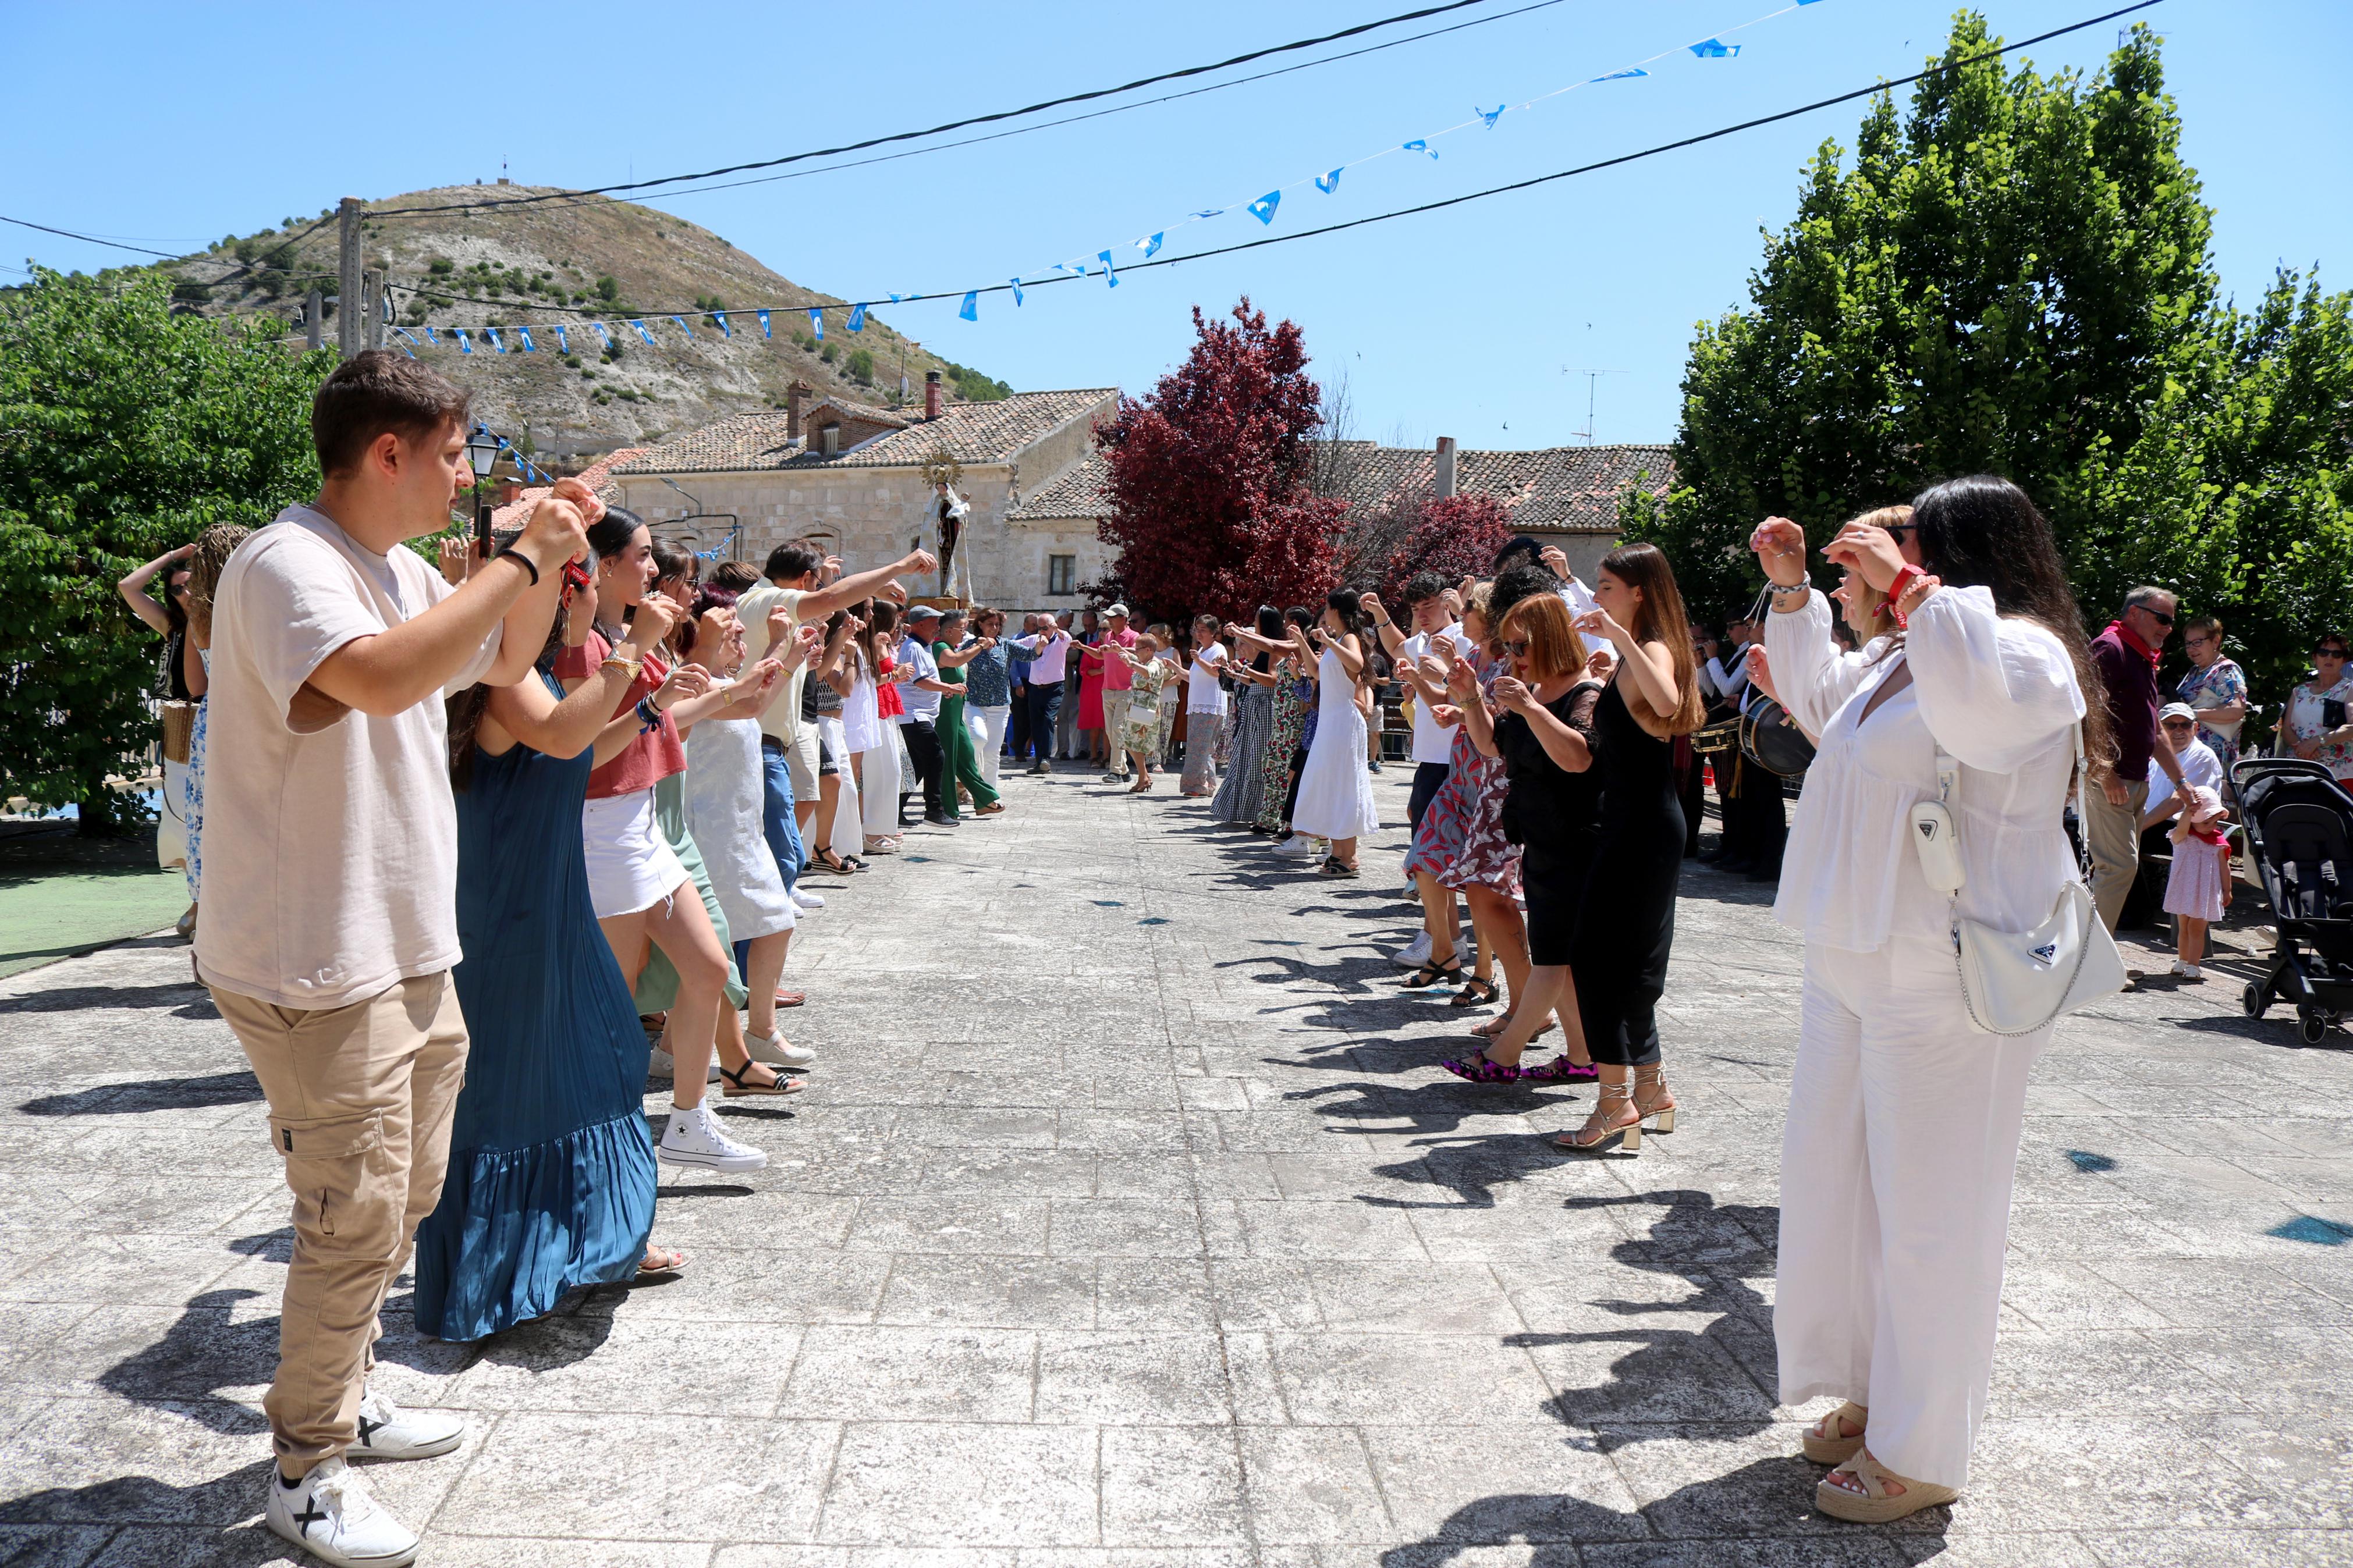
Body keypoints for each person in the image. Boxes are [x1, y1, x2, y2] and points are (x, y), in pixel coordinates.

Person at [191, 351, 587, 1565]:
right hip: (314, 953)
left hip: (400, 942)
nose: (467, 477)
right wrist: (522, 558)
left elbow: (493, 664)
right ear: (388, 453)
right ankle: (305, 1468)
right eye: (458, 453)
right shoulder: (287, 564)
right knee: (352, 1214)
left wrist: (547, 556)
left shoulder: (397, 565)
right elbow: (379, 678)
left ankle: (349, 1394)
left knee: (402, 1194)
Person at [1754, 475, 2108, 1523]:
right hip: (1854, 954)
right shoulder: (1906, 655)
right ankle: (1877, 1392)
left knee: (1929, 1213)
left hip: (1943, 972)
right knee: (1840, 1186)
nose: (1880, 559)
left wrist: (1906, 587)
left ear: (1957, 553)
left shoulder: (2025, 656)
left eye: (1909, 541)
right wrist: (1790, 597)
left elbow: (1980, 711)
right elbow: (1819, 708)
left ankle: (1923, 1451)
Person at [418, 539, 680, 1343]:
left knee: (583, 1060)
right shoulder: (500, 684)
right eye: (568, 589)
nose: (574, 605)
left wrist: (639, 704)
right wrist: (635, 642)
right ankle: (514, 1265)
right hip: (513, 906)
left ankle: (578, 1244)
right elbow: (563, 740)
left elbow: (566, 758)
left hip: (541, 894)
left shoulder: (509, 679)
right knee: (525, 1078)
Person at [1552, 542, 1703, 1151]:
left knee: (1596, 961)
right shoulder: (1632, 653)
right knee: (1629, 963)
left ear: (1638, 591)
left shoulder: (1656, 647)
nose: (1598, 592)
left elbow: (1668, 703)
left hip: (1641, 827)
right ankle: (1650, 1090)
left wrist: (1618, 637)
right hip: (1634, 823)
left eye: (1607, 585)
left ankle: (1614, 1103)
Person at [1437, 592, 1606, 1086]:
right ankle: (1582, 1056)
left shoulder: (1584, 693)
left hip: (1577, 843)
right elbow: (1491, 745)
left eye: (1520, 645)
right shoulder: (1536, 690)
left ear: (1551, 638)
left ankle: (1502, 1055)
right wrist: (1470, 695)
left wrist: (1531, 706)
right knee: (1561, 961)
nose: (1512, 656)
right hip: (1540, 841)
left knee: (1553, 957)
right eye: (1508, 646)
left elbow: (1578, 758)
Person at [737, 542, 935, 908]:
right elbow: (832, 598)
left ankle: (783, 885)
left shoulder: (766, 599)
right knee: (778, 820)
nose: (818, 596)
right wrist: (899, 565)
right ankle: (773, 896)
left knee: (797, 807)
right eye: (815, 585)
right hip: (762, 734)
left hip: (780, 732)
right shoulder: (771, 600)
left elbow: (829, 599)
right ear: (807, 578)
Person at [679, 588, 815, 1069]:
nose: (741, 637)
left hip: (739, 827)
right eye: (733, 630)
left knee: (769, 924)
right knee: (739, 935)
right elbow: (745, 706)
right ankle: (733, 1037)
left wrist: (792, 657)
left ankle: (752, 1033)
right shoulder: (695, 682)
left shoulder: (724, 680)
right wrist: (780, 646)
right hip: (711, 830)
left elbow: (754, 702)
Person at [1368, 575, 1477, 972]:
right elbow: (1396, 645)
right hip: (1431, 759)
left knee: (1436, 858)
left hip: (1460, 759)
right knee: (1431, 857)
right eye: (1415, 609)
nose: (1422, 614)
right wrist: (1381, 614)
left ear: (1446, 603)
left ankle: (1438, 940)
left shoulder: (1464, 637)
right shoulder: (1417, 643)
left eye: (1428, 605)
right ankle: (1450, 938)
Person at [2086, 586, 2189, 931]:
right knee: (2118, 869)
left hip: (2134, 780)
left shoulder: (2142, 655)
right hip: (2111, 780)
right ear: (2135, 613)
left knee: (2118, 870)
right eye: (2162, 618)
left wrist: (2182, 781)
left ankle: (2094, 959)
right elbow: (2085, 713)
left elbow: (2155, 729)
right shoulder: (2110, 648)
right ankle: (2089, 964)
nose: (2168, 627)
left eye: (2172, 622)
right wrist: (2105, 772)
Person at [177, 523, 251, 953]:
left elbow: (194, 684)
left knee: (208, 821)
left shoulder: (199, 618)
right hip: (254, 716)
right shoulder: (257, 606)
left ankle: (212, 929)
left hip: (214, 721)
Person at [119, 542, 200, 888]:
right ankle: (197, 899)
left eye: (190, 584)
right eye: (177, 589)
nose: (185, 593)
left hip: (224, 726)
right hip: (184, 728)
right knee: (181, 820)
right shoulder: (174, 627)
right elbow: (128, 586)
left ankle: (207, 905)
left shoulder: (230, 622)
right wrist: (172, 558)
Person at [1286, 589, 1383, 876]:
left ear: (1336, 611)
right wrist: (1302, 642)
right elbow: (1316, 672)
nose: (1324, 613)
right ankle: (1339, 852)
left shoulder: (1349, 638)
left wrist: (1328, 641)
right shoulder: (1337, 641)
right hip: (1331, 721)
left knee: (1343, 785)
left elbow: (1357, 665)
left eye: (1327, 608)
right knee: (1330, 783)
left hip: (1343, 720)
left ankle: (1349, 856)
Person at [1211, 608, 1284, 826]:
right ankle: (1248, 811)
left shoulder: (1274, 647)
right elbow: (1255, 681)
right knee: (1245, 758)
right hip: (1254, 707)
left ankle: (1261, 813)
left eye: (1256, 620)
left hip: (1264, 708)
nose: (1254, 622)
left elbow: (1272, 680)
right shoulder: (1265, 647)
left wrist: (1247, 671)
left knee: (1257, 761)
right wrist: (1240, 674)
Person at [931, 609, 1005, 819]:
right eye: (962, 628)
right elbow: (954, 661)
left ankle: (983, 800)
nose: (965, 633)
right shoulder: (940, 647)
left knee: (966, 755)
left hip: (956, 711)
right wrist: (980, 646)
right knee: (949, 758)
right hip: (944, 712)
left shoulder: (952, 646)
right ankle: (947, 807)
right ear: (948, 630)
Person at [895, 605, 960, 826]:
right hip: (913, 715)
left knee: (917, 765)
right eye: (934, 622)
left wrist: (943, 690)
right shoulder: (913, 647)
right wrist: (948, 687)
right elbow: (920, 681)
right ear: (920, 624)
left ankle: (895, 810)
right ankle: (933, 810)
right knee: (935, 756)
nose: (937, 627)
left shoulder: (922, 647)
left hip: (917, 715)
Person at [853, 600, 909, 850]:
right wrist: (896, 674)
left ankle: (883, 826)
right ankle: (872, 830)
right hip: (874, 708)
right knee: (880, 770)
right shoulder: (869, 642)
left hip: (885, 707)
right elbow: (869, 679)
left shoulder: (881, 640)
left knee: (891, 770)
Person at [2163, 778, 2231, 981]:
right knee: (2183, 927)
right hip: (2185, 888)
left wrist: (2227, 890)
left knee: (2197, 928)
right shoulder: (2181, 837)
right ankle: (2183, 959)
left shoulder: (2217, 842)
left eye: (2215, 822)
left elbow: (2224, 866)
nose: (2212, 827)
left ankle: (2194, 964)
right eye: (2206, 821)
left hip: (2206, 890)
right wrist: (2189, 811)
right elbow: (2183, 826)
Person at [2174, 614, 2248, 782]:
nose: (2192, 648)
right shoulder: (2194, 671)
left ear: (2216, 642)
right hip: (2191, 756)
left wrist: (2193, 714)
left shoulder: (2227, 670)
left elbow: (2236, 710)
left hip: (2214, 759)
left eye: (2198, 642)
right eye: (2188, 644)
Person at [1109, 630, 1180, 791]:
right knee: (1129, 742)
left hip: (1145, 711)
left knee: (1134, 743)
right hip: (1137, 709)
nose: (1135, 651)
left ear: (1148, 650)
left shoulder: (1155, 664)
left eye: (1138, 648)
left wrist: (1130, 664)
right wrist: (1119, 649)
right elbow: (1134, 658)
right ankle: (1144, 777)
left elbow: (1148, 673)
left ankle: (1144, 777)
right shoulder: (1146, 661)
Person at [2276, 632, 2353, 781]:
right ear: (2314, 658)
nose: (2329, 658)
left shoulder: (2349, 688)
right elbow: (2286, 729)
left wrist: (2318, 741)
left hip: (2338, 774)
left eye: (2337, 654)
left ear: (2344, 660)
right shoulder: (2299, 691)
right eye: (2323, 653)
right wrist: (2302, 748)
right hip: (2298, 769)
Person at [1006, 613, 1071, 773]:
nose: (1041, 632)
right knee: (1035, 723)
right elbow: (1014, 645)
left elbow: (1067, 639)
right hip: (1035, 688)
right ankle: (1039, 761)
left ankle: (1045, 759)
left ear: (1053, 627)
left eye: (1044, 628)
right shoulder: (1034, 639)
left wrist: (1057, 630)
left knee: (1048, 720)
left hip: (1054, 688)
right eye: (1038, 628)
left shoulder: (1061, 640)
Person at [1084, 603, 1142, 780]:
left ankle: (1115, 771)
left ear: (1123, 619)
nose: (1108, 620)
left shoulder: (1134, 636)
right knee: (1110, 731)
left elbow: (1139, 653)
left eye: (1112, 617)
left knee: (1117, 729)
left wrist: (1119, 649)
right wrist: (1082, 647)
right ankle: (1124, 771)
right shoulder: (1109, 635)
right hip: (1108, 689)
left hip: (1127, 690)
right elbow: (1102, 655)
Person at [961, 606, 1016, 791]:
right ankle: (968, 777)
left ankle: (989, 793)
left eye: (997, 625)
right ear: (980, 625)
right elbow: (955, 660)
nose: (994, 628)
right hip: (974, 702)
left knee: (993, 752)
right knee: (978, 739)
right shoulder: (970, 645)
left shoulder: (1006, 645)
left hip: (1000, 705)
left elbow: (1030, 654)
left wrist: (1041, 645)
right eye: (990, 624)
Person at [1180, 614, 1229, 795]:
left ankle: (1196, 786)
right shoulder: (1202, 651)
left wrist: (1198, 661)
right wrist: (1175, 668)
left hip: (1210, 705)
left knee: (1198, 749)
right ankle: (1207, 785)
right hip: (1198, 705)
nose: (1198, 634)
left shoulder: (1219, 650)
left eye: (1203, 631)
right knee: (1202, 748)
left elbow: (1217, 673)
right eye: (1197, 630)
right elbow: (1193, 677)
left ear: (1213, 633)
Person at [1075, 608, 1109, 766]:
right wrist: (1100, 671)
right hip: (1093, 691)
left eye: (1106, 629)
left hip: (1111, 689)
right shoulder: (1092, 647)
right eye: (1101, 629)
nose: (1102, 632)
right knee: (1095, 725)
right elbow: (1083, 670)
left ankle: (1107, 758)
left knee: (1108, 727)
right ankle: (1094, 756)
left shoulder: (1115, 648)